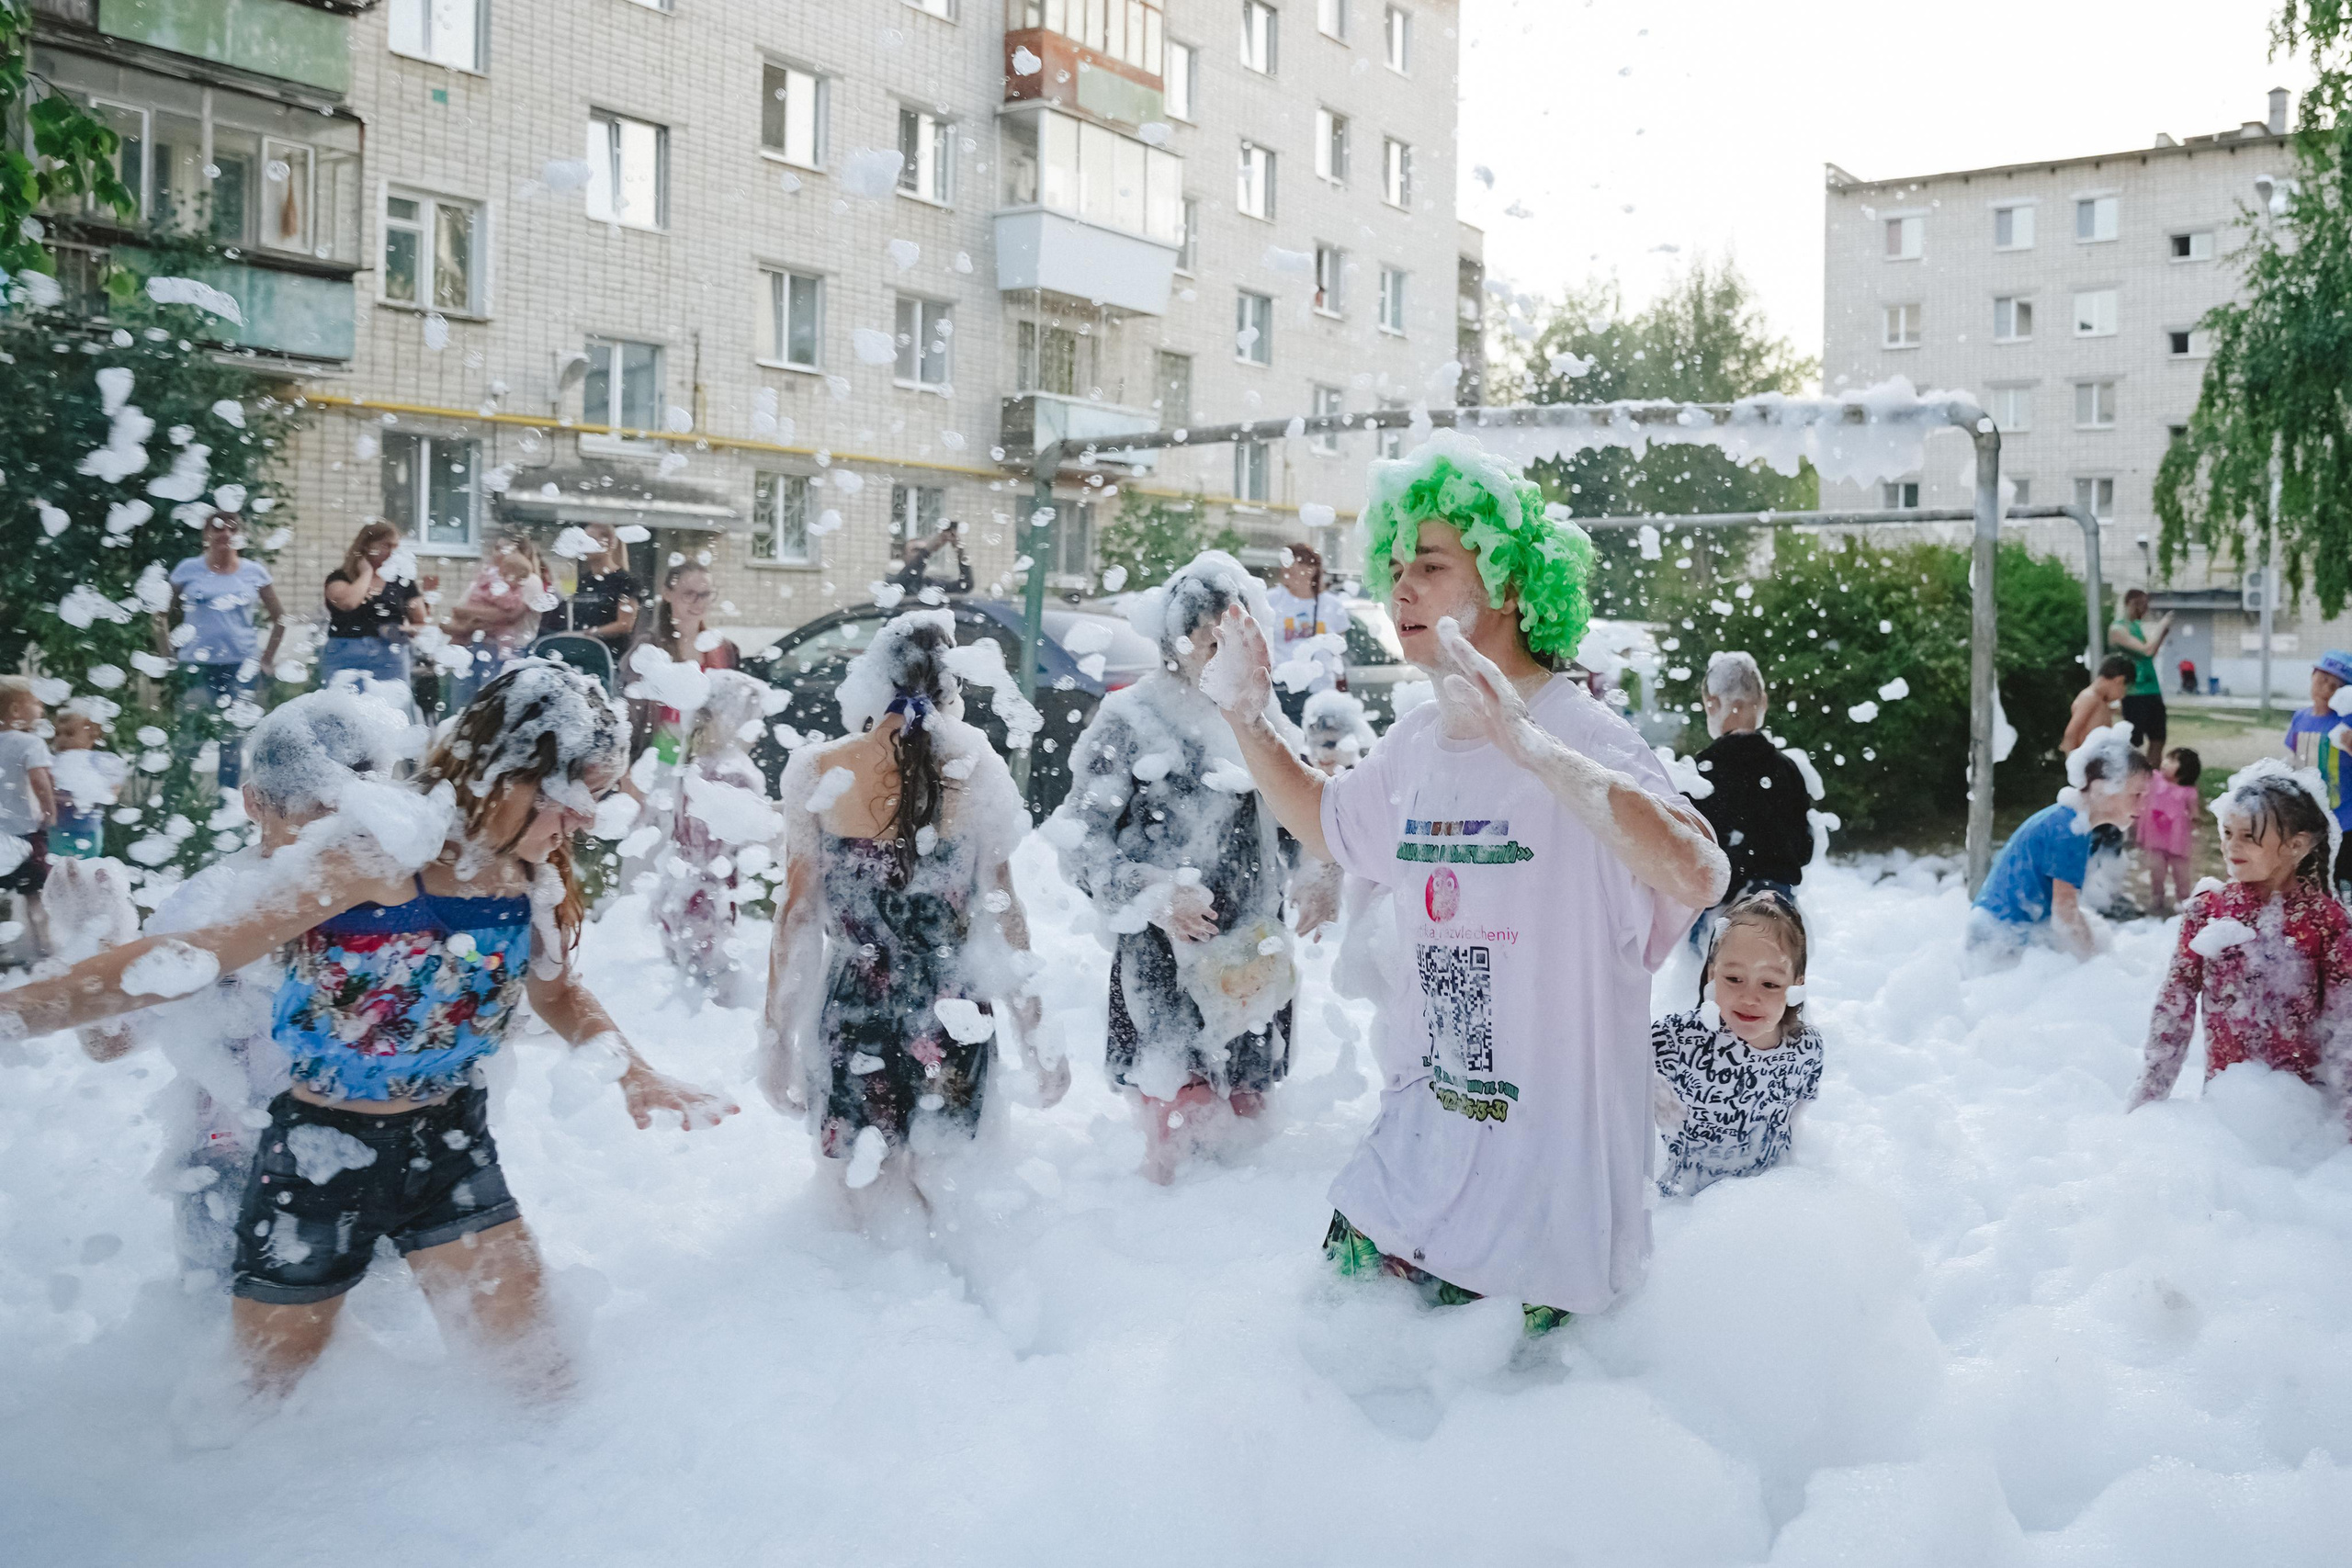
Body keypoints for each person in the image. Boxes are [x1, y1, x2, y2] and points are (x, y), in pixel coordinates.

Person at [0, 662, 736, 1422]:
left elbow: (557, 992)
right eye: (572, 791)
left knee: (544, 1383)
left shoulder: (527, 872)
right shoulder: (380, 855)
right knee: (256, 1401)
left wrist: (635, 1071)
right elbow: (196, 954)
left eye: (597, 793)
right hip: (322, 1154)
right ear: (505, 771)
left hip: (450, 1144)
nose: (585, 815)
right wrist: (16, 1012)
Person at [1211, 432, 1727, 1328]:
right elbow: (1330, 821)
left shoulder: (1583, 732)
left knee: (1511, 1409)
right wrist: (1248, 717)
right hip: (1417, 1165)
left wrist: (1533, 751)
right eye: (1395, 567)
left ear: (1510, 583)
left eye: (1432, 565)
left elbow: (1700, 869)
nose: (1401, 588)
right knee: (1339, 1364)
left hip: (1544, 1211)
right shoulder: (1417, 740)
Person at [60, 687, 421, 1281]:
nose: (335, 841)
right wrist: (93, 944)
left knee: (289, 1324)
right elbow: (112, 1042)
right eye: (320, 814)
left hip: (325, 1159)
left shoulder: (392, 897)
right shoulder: (216, 905)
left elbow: (112, 1039)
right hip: (252, 1167)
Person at [760, 611, 1065, 1206]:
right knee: (945, 1194)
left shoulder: (819, 770)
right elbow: (1004, 913)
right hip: (953, 1010)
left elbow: (795, 918)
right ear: (951, 688)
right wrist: (1037, 1032)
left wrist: (774, 1041)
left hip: (854, 1008)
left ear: (872, 683)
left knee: (859, 1194)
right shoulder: (978, 770)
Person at [1053, 551, 1306, 1184]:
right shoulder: (1131, 720)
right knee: (1176, 1139)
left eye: (1235, 637)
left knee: (1248, 1133)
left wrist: (1321, 873)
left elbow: (1301, 819)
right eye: (1208, 638)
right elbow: (1080, 841)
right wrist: (1150, 893)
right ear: (1174, 639)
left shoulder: (1262, 715)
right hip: (1161, 967)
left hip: (1251, 958)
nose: (1222, 653)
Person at [2129, 761, 2352, 1115]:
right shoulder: (2208, 910)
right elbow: (2173, 1007)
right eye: (2228, 832)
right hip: (2228, 1112)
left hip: (2305, 1114)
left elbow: (2344, 1027)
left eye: (2248, 836)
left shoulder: (2327, 921)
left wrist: (2345, 1121)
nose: (2232, 847)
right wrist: (2148, 1098)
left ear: (2296, 845)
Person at [1652, 890, 1824, 1198]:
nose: (1749, 997)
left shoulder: (1806, 1049)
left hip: (1765, 1198)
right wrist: (1653, 1095)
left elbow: (1797, 1121)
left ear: (1796, 984)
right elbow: (1610, 1070)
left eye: (1769, 984)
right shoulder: (1676, 1039)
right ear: (1712, 973)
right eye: (1733, 979)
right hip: (1684, 1203)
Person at [1966, 723, 2153, 968]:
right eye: (2136, 795)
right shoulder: (2069, 831)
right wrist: (2097, 966)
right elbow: (2065, 916)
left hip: (1996, 934)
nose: (2142, 806)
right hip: (1997, 944)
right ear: (2102, 787)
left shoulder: (2067, 821)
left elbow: (2065, 914)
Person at [653, 669, 775, 1004]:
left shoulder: (695, 764)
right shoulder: (734, 774)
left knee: (683, 997)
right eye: (754, 718)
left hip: (677, 896)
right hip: (709, 904)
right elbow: (759, 838)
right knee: (718, 999)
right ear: (730, 719)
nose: (759, 729)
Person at [164, 509, 285, 796]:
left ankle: (227, 806)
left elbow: (280, 617)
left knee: (232, 741)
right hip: (197, 666)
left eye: (232, 528)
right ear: (206, 535)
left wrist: (267, 658)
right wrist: (167, 654)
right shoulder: (188, 569)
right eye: (218, 528)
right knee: (188, 737)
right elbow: (160, 613)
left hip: (241, 667)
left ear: (241, 536)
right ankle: (173, 803)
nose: (225, 534)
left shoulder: (254, 572)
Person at [1687, 649, 1814, 921]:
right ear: (1763, 702)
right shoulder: (1788, 769)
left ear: (1711, 704)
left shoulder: (1698, 775)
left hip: (1717, 914)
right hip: (1778, 912)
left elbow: (1691, 852)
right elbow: (1804, 850)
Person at [629, 560, 743, 764]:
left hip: (707, 760)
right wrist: (628, 762)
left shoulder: (724, 649)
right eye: (689, 594)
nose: (698, 602)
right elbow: (631, 710)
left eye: (705, 594)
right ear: (667, 593)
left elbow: (733, 707)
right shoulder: (649, 648)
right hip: (657, 758)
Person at [441, 532, 555, 710]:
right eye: (497, 548)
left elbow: (509, 616)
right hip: (475, 648)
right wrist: (472, 618)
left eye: (507, 549)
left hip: (508, 652)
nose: (500, 553)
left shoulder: (529, 580)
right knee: (461, 709)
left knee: (492, 709)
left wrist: (472, 616)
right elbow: (457, 610)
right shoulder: (487, 579)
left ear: (521, 553)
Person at [320, 519, 426, 694]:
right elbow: (348, 603)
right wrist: (366, 573)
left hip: (390, 654)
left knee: (393, 706)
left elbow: (421, 623)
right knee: (341, 705)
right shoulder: (340, 577)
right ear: (366, 545)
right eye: (386, 545)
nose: (392, 552)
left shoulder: (402, 581)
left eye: (395, 546)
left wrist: (400, 630)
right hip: (345, 654)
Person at [2282, 648, 2352, 896]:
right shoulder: (2300, 717)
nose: (2326, 688)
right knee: (2308, 876)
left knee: (2342, 877)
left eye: (2336, 686)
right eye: (2323, 679)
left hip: (2345, 818)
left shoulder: (2347, 723)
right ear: (2312, 675)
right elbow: (2290, 759)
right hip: (2308, 815)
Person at [1264, 542, 1351, 728]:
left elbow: (1339, 650)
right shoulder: (1271, 600)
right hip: (1283, 689)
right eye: (1283, 566)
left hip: (1321, 690)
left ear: (1311, 570)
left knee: (1318, 742)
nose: (1285, 572)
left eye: (1291, 567)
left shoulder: (1332, 605)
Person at [0, 677, 57, 958]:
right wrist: (50, 809)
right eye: (36, 702)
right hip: (26, 832)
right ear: (15, 711)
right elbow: (39, 781)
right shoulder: (30, 743)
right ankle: (44, 948)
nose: (42, 707)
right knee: (35, 892)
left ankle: (3, 950)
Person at [545, 521, 643, 657]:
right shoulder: (585, 580)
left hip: (610, 657)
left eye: (591, 539)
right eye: (582, 540)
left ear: (609, 543)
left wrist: (588, 634)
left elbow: (625, 624)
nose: (584, 545)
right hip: (582, 654)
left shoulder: (625, 581)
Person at [46, 705, 126, 861]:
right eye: (57, 734)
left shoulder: (100, 761)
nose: (61, 739)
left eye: (70, 734)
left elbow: (113, 791)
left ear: (93, 736)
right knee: (57, 868)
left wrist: (99, 794)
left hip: (89, 831)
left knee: (87, 868)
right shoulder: (53, 762)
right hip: (57, 831)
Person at [2109, 588, 2173, 763]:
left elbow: (2150, 655)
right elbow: (2146, 650)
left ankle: (2152, 777)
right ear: (2132, 603)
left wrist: (2162, 635)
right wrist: (2161, 626)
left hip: (2152, 690)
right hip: (2134, 693)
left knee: (2158, 738)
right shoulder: (2118, 629)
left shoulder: (2135, 627)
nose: (2146, 610)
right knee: (2134, 742)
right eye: (2143, 605)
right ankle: (2132, 775)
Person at [2138, 746, 2203, 919]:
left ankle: (2183, 901)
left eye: (2173, 761)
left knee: (2181, 873)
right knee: (2156, 870)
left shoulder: (2188, 792)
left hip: (2177, 839)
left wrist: (2194, 819)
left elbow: (2194, 813)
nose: (2166, 763)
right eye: (2167, 758)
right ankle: (2157, 898)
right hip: (2156, 836)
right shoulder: (2155, 779)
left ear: (2185, 770)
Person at [2061, 656, 2136, 755]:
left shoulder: (2101, 702)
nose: (2122, 696)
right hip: (2086, 759)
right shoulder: (2090, 698)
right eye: (2125, 689)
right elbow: (2071, 734)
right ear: (2119, 680)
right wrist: (2073, 761)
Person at [886, 520, 974, 597]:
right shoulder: (892, 581)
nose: (919, 554)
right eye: (916, 550)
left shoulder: (928, 584)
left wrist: (959, 551)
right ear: (903, 556)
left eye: (921, 550)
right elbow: (902, 582)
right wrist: (927, 551)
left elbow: (965, 586)